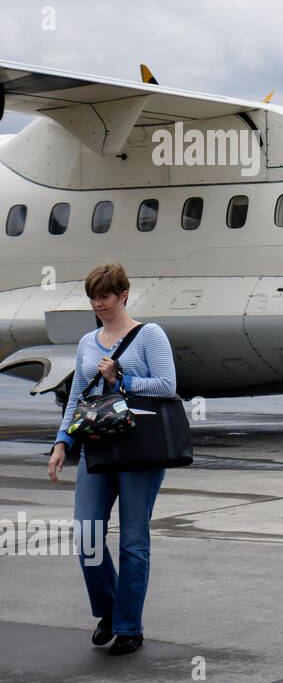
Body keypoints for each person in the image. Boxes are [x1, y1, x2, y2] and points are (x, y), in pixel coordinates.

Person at [47, 262, 178, 656]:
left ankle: (128, 626)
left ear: (123, 294)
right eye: (93, 297)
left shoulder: (149, 335)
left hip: (140, 449)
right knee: (85, 534)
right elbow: (76, 396)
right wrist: (61, 443)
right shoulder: (88, 340)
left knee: (133, 542)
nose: (98, 303)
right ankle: (109, 610)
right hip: (97, 446)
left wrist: (122, 379)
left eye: (105, 296)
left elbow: (169, 386)